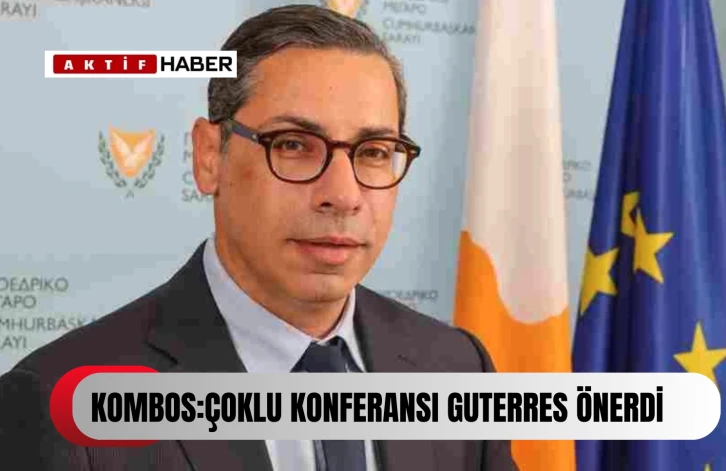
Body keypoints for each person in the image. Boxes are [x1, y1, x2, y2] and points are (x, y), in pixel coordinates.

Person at [0, 5, 517, 470]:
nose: (343, 195)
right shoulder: (60, 409)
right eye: (293, 145)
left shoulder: (457, 369)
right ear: (210, 156)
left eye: (374, 151)